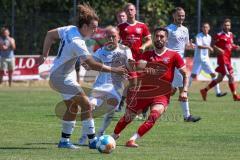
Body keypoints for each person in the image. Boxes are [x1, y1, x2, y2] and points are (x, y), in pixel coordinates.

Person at [37, 4, 126, 149]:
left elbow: (49, 34)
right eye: (93, 27)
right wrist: (114, 70)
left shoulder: (69, 29)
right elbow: (92, 64)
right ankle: (92, 141)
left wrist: (44, 54)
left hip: (62, 75)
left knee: (72, 108)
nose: (95, 30)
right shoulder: (78, 42)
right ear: (84, 26)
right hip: (61, 77)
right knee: (86, 105)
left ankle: (64, 141)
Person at [112, 27, 189, 147]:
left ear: (167, 39)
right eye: (156, 36)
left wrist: (184, 91)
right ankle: (113, 136)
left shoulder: (174, 55)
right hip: (143, 92)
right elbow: (135, 70)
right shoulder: (146, 55)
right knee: (127, 118)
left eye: (162, 37)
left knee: (153, 116)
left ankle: (132, 139)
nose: (159, 39)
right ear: (153, 38)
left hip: (161, 94)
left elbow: (185, 74)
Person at [78, 26, 134, 145]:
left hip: (116, 88)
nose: (111, 38)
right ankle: (85, 135)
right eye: (108, 36)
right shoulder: (100, 51)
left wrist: (131, 66)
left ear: (118, 37)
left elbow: (130, 66)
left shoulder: (125, 50)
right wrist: (86, 65)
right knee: (90, 107)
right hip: (100, 86)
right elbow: (91, 65)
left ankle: (100, 132)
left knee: (110, 111)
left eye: (113, 36)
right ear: (105, 37)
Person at [166, 7, 201, 122]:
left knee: (172, 90)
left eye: (183, 16)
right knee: (182, 88)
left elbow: (185, 45)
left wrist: (190, 46)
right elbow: (162, 45)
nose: (181, 18)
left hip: (181, 62)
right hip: (171, 62)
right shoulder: (168, 29)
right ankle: (187, 116)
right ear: (174, 16)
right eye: (179, 15)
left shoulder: (185, 29)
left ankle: (148, 106)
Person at [117, 3, 152, 114]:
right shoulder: (121, 27)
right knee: (133, 83)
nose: (130, 12)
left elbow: (150, 40)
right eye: (127, 10)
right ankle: (134, 107)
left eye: (131, 10)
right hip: (127, 59)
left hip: (140, 59)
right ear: (125, 12)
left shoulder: (142, 26)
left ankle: (126, 103)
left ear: (135, 11)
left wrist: (143, 46)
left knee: (139, 84)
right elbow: (115, 41)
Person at [200, 18, 240, 101]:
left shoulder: (231, 34)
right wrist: (218, 49)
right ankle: (235, 95)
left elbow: (230, 45)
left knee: (220, 79)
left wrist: (236, 47)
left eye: (228, 25)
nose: (227, 26)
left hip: (228, 59)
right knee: (231, 76)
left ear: (230, 26)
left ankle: (204, 90)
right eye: (225, 25)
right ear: (222, 26)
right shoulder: (219, 35)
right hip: (222, 60)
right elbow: (212, 45)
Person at [189, 22, 227, 97]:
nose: (205, 28)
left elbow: (206, 50)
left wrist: (208, 53)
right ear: (201, 28)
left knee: (213, 74)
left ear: (209, 28)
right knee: (193, 75)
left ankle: (218, 92)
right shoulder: (199, 36)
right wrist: (208, 47)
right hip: (198, 59)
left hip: (205, 60)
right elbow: (199, 46)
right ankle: (185, 90)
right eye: (204, 27)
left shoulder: (209, 37)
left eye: (206, 27)